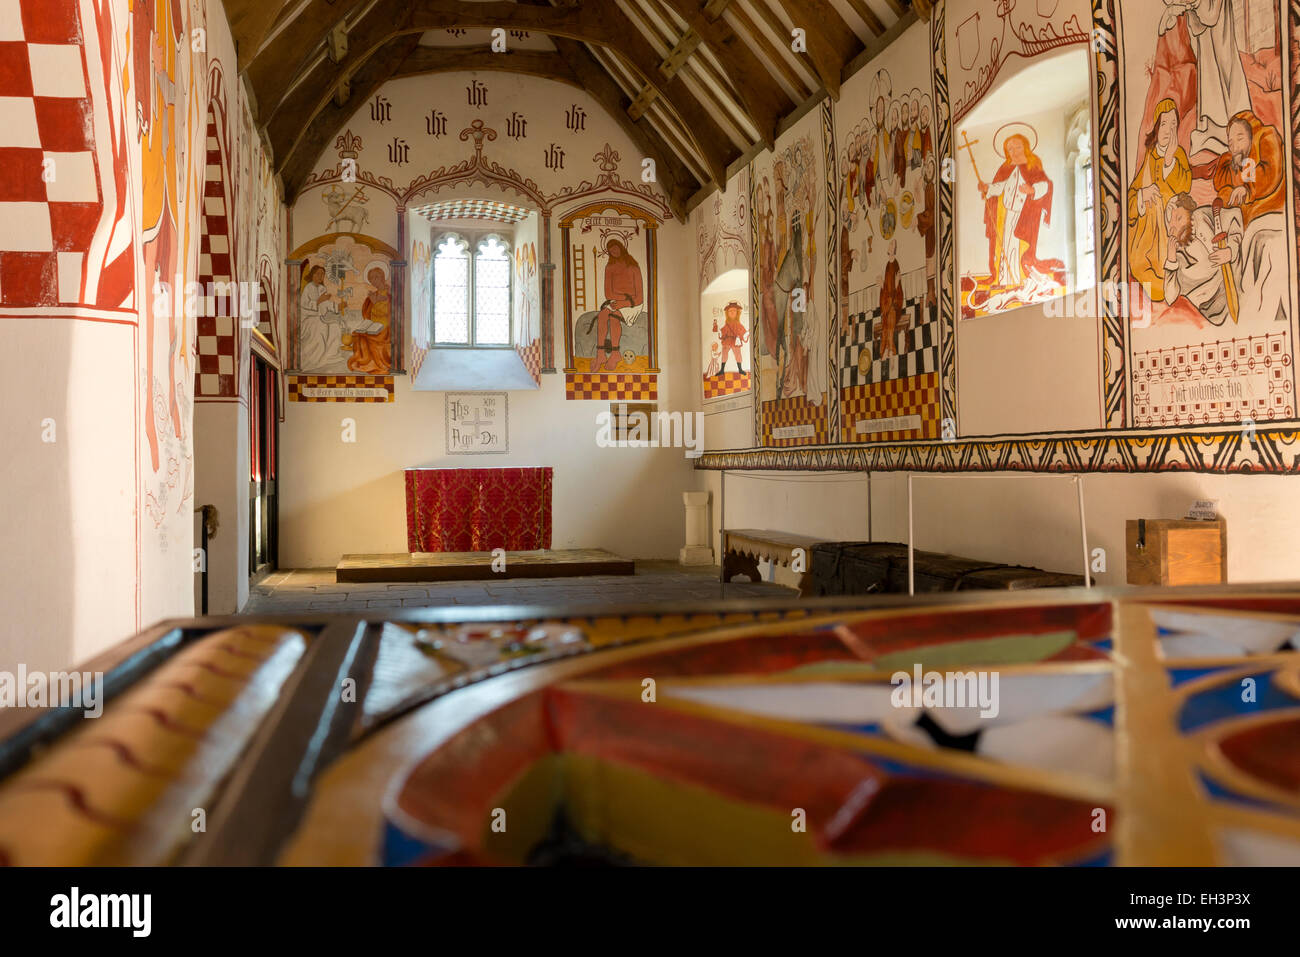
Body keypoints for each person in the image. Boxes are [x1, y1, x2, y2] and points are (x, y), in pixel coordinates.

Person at [1128, 99, 1192, 300]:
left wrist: (1170, 161)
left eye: (1173, 125)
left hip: (1169, 230)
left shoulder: (1178, 154)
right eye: (1164, 124)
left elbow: (1185, 188)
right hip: (1147, 236)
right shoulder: (1149, 156)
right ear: (1156, 127)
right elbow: (1131, 195)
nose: (1168, 130)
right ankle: (1156, 279)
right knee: (1142, 270)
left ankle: (1167, 278)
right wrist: (1141, 195)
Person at [979, 132, 1053, 288]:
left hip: (1025, 214)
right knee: (1005, 245)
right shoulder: (1007, 167)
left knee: (1018, 245)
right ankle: (1005, 279)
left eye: (1017, 147)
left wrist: (1032, 190)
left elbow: (1046, 184)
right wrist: (988, 188)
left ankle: (1019, 279)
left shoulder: (1033, 164)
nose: (1014, 151)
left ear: (1025, 147)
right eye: (1010, 149)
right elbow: (1002, 186)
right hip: (1008, 213)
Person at [1163, 192, 1241, 326]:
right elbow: (1170, 297)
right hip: (1213, 309)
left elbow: (1235, 217)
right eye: (1172, 225)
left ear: (1189, 212)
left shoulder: (1203, 215)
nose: (1177, 227)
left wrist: (1230, 251)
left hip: (1238, 279)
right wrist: (1171, 260)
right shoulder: (1178, 256)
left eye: (1179, 218)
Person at [1212, 111, 1285, 229]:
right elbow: (1222, 186)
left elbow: (1270, 172)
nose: (1235, 147)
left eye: (1240, 139)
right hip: (1246, 219)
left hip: (1271, 213)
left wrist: (1248, 189)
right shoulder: (1236, 158)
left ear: (1252, 134)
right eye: (1230, 143)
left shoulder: (1266, 136)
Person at [593, 239, 644, 372]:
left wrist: (624, 301)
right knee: (603, 315)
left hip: (633, 305)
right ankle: (600, 354)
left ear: (621, 247)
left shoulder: (633, 267)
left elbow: (639, 297)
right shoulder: (609, 268)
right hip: (617, 302)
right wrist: (620, 300)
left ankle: (615, 354)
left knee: (614, 316)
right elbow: (608, 293)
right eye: (611, 251)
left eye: (615, 248)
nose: (614, 252)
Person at [344, 265, 391, 374]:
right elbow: (366, 311)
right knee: (359, 333)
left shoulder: (389, 294)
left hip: (385, 324)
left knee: (370, 335)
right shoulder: (372, 295)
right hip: (373, 323)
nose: (374, 281)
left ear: (383, 277)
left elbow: (389, 311)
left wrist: (376, 302)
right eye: (371, 279)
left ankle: (379, 364)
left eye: (376, 277)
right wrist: (371, 302)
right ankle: (364, 362)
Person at [298, 263, 345, 371]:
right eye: (318, 274)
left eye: (322, 274)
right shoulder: (308, 288)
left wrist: (337, 307)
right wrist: (319, 301)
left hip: (320, 316)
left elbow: (326, 304)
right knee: (319, 326)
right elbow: (303, 304)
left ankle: (330, 355)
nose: (320, 276)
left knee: (335, 326)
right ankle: (315, 358)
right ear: (312, 275)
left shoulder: (322, 288)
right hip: (308, 318)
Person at [878, 240, 903, 359]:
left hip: (895, 303)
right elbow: (887, 289)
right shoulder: (888, 265)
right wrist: (882, 285)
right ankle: (888, 349)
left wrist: (897, 283)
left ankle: (889, 349)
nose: (890, 246)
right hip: (888, 302)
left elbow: (896, 289)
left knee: (890, 317)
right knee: (886, 320)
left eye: (893, 244)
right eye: (890, 244)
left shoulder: (896, 264)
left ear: (895, 249)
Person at [718, 301, 747, 374]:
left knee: (738, 354)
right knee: (724, 354)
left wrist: (744, 335)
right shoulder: (727, 324)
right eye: (730, 311)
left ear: (737, 312)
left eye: (734, 310)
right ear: (727, 313)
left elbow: (743, 332)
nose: (732, 312)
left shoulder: (738, 324)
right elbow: (723, 331)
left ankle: (740, 369)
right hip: (727, 340)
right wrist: (720, 332)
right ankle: (722, 370)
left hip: (735, 341)